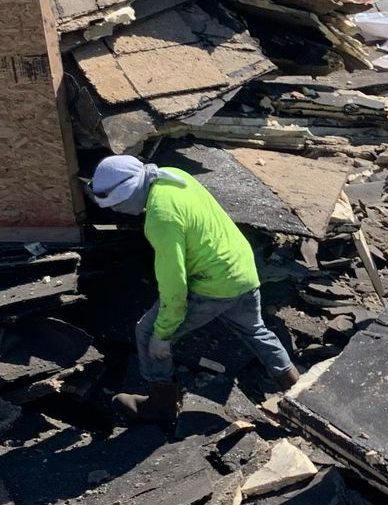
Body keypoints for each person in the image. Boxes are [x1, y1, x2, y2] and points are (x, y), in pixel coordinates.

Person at [87, 155, 300, 423]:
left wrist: (163, 335)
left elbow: (174, 286)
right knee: (255, 330)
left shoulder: (160, 217)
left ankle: (160, 405)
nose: (116, 211)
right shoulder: (171, 175)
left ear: (127, 195)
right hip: (242, 270)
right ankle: (296, 392)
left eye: (117, 206)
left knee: (147, 331)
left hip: (213, 285)